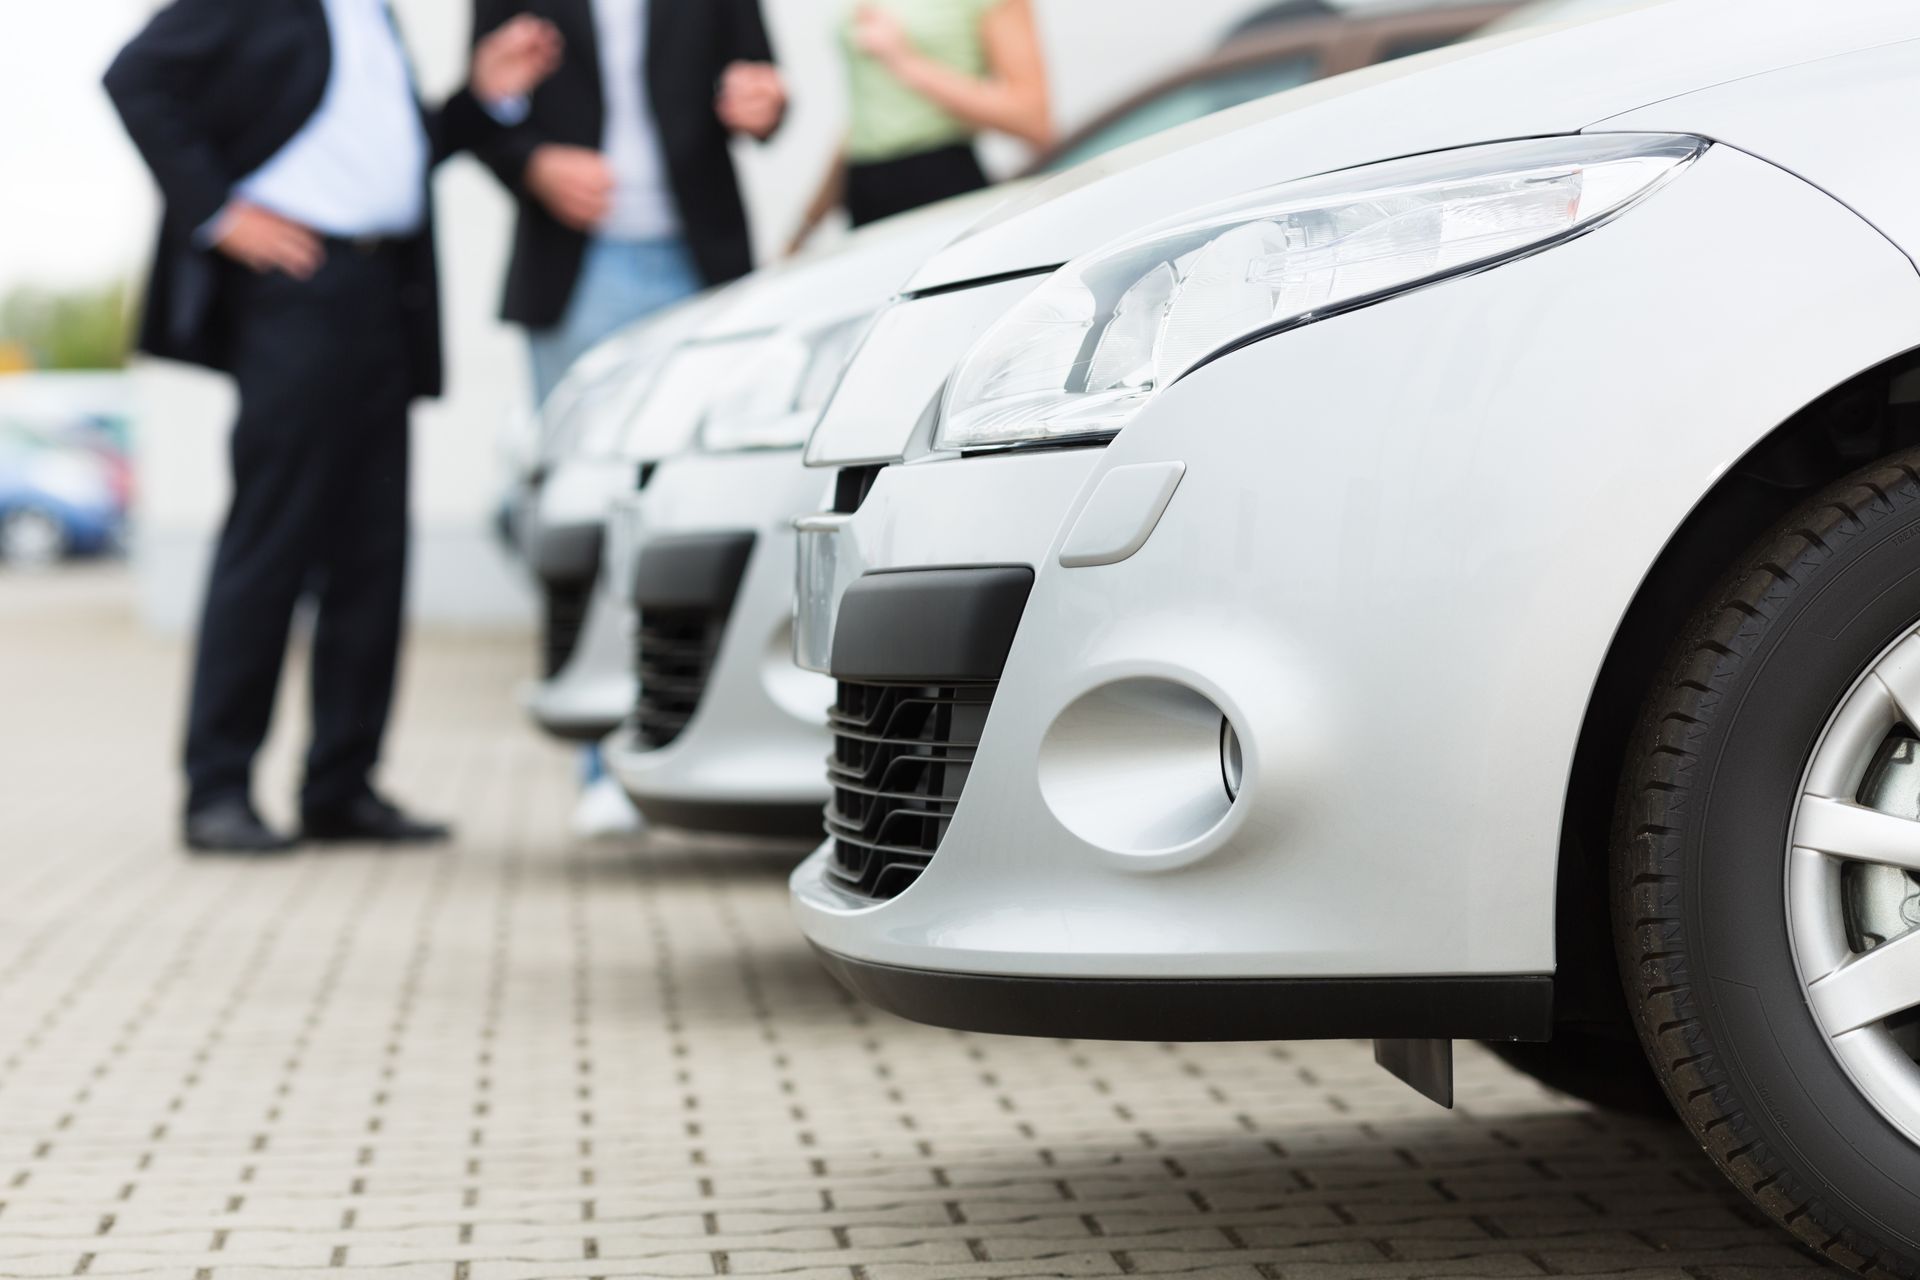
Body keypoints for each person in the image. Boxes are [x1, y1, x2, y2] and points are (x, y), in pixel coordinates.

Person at [104, 0, 564, 855]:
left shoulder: (372, 16)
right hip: (297, 293)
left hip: (382, 292)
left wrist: (477, 98)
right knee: (272, 539)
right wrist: (218, 211)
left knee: (371, 552)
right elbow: (133, 78)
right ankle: (218, 790)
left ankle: (342, 786)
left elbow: (386, 156)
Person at [471, 0, 788, 405]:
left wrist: (761, 103)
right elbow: (480, 102)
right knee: (574, 456)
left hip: (700, 257)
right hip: (573, 267)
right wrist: (534, 164)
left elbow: (757, 71)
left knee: (700, 450)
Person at [791, 0, 1052, 249]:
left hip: (939, 185)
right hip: (863, 193)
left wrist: (905, 61)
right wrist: (804, 231)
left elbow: (1033, 119)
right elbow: (867, 122)